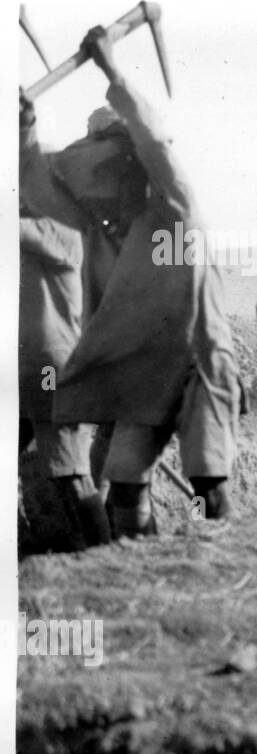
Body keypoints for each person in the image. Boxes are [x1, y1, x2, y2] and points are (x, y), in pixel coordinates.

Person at [19, 27, 242, 537]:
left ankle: (210, 550)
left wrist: (112, 72)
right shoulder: (96, 231)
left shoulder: (175, 209)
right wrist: (24, 125)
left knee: (207, 481)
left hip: (198, 363)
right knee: (124, 484)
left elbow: (156, 143)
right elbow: (41, 189)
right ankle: (141, 564)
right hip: (142, 372)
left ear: (126, 170)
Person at [18, 208, 111, 549]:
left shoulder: (59, 230)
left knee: (72, 474)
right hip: (23, 371)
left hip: (49, 372)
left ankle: (102, 555)